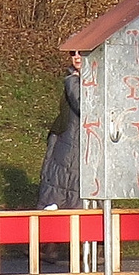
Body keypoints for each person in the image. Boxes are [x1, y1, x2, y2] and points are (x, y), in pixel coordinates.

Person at [35, 50, 83, 211]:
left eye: (81, 52)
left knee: (74, 193)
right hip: (64, 143)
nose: (76, 57)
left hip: (78, 147)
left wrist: (73, 81)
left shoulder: (79, 81)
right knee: (57, 189)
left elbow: (83, 105)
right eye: (73, 53)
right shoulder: (74, 78)